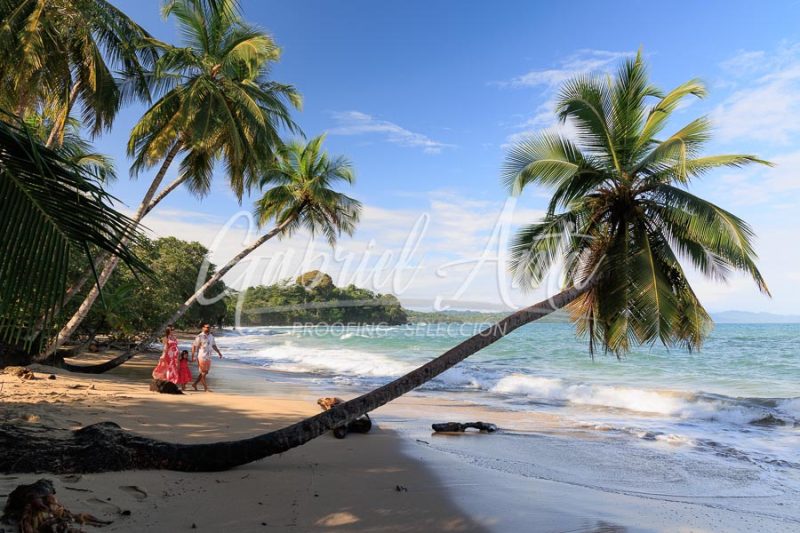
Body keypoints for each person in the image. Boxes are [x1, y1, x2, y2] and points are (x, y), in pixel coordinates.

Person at [191, 324, 223, 391]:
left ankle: (195, 384)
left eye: (209, 327)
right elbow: (194, 346)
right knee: (203, 372)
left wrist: (219, 352)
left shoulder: (211, 336)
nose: (208, 328)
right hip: (202, 356)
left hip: (208, 356)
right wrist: (193, 356)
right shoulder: (200, 336)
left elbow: (214, 345)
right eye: (207, 327)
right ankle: (206, 388)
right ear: (203, 328)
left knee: (205, 372)